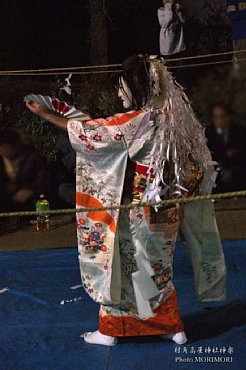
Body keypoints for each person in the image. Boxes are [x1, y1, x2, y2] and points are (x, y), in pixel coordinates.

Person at [26, 55, 226, 346]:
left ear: (139, 87)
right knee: (156, 268)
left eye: (123, 88)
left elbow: (94, 133)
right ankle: (170, 326)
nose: (119, 94)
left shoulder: (139, 120)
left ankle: (111, 330)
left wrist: (47, 114)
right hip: (168, 207)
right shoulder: (175, 118)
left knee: (120, 265)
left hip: (138, 208)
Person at [0, 129, 50, 211]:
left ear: (14, 146)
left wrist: (30, 190)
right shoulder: (1, 159)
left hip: (29, 195)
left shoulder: (31, 156)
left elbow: (44, 178)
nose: (1, 151)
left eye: (3, 147)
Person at [206, 102, 246, 193]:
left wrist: (234, 154)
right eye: (216, 117)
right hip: (215, 171)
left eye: (222, 116)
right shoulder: (208, 133)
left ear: (229, 117)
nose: (219, 120)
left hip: (236, 171)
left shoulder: (241, 132)